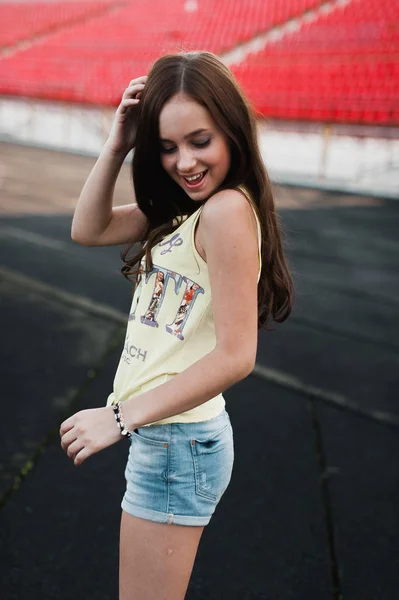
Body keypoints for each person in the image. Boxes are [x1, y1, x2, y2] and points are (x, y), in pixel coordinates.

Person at [59, 51, 293, 599]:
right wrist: (117, 143)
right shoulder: (189, 207)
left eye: (199, 140)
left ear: (232, 131)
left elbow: (238, 355)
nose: (184, 161)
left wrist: (119, 417)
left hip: (177, 442)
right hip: (170, 440)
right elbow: (87, 230)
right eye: (166, 147)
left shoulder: (226, 212)